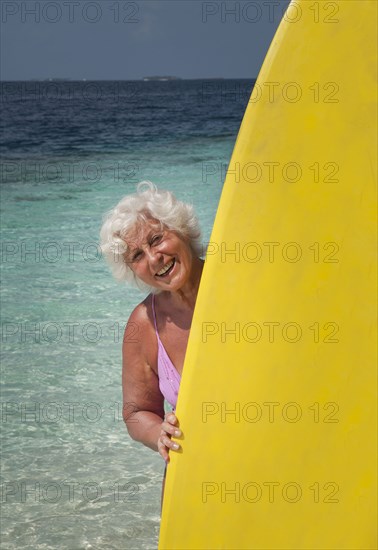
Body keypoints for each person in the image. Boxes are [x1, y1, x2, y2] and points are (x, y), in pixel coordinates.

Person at [100, 181, 204, 489]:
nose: (154, 258)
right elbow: (136, 412)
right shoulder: (143, 325)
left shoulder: (238, 283)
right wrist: (159, 432)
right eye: (137, 256)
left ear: (182, 230)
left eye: (157, 239)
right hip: (197, 475)